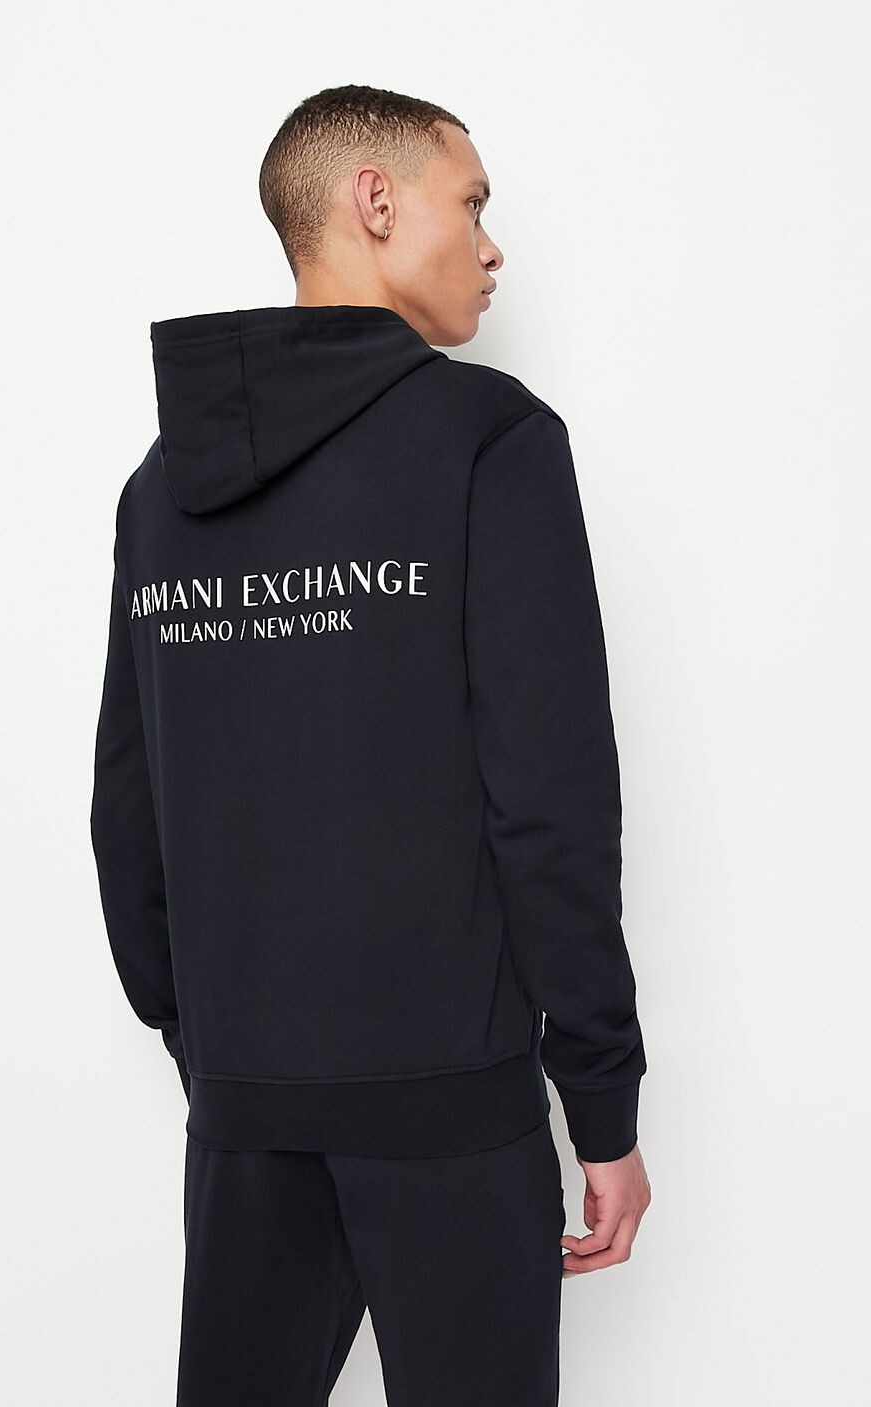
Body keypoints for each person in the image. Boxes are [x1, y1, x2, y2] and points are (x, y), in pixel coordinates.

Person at [90, 83, 651, 1406]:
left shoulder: (161, 488)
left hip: (245, 1102)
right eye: (473, 205)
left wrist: (210, 1043)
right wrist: (603, 1100)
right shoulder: (489, 441)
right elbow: (549, 803)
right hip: (446, 1105)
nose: (492, 248)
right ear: (376, 202)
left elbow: (128, 812)